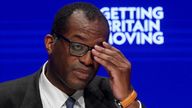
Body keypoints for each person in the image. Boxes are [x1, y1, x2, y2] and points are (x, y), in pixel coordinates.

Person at [0, 2, 144, 108]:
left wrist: (127, 99)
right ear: (50, 44)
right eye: (77, 47)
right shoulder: (5, 98)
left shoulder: (114, 97)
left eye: (97, 50)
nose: (88, 61)